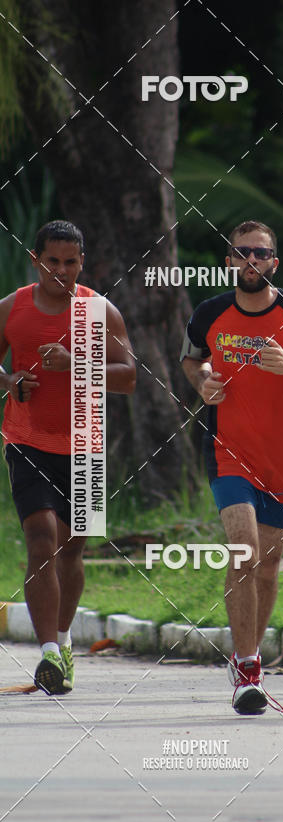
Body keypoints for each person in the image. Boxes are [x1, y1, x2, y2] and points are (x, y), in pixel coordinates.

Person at [181, 220, 283, 715]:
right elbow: (191, 360)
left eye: (261, 253)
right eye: (241, 252)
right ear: (228, 260)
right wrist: (203, 381)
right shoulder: (210, 312)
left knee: (268, 567)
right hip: (227, 450)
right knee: (244, 550)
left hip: (281, 458)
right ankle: (248, 665)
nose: (251, 261)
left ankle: (247, 656)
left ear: (274, 261)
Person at [0, 220, 136, 695]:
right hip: (27, 439)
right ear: (35, 260)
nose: (61, 270)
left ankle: (62, 639)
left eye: (71, 262)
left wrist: (78, 362)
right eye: (52, 261)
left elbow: (129, 377)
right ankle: (48, 656)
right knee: (42, 540)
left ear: (82, 263)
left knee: (72, 551)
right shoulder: (11, 309)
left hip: (86, 444)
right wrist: (8, 381)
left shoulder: (99, 310)